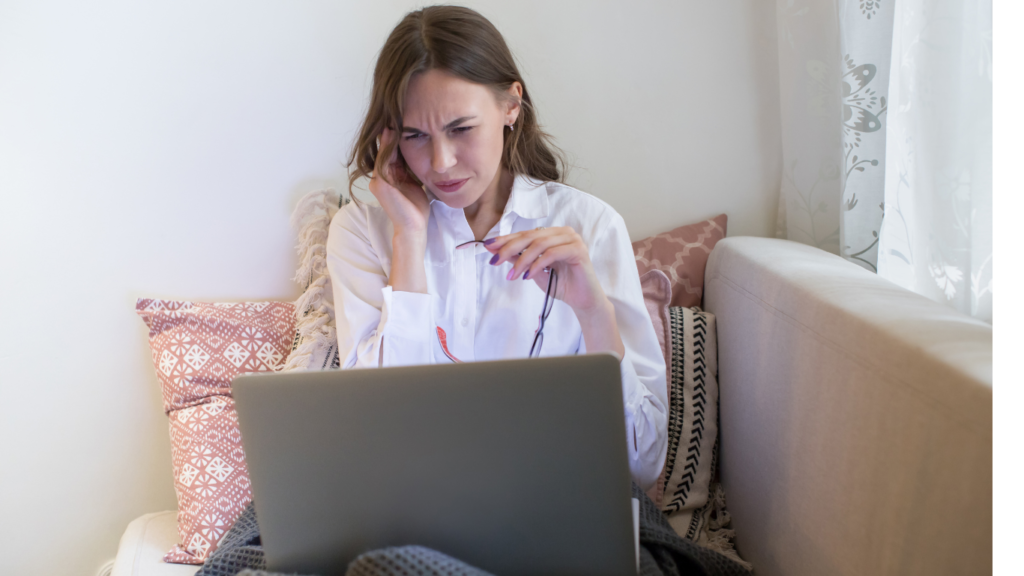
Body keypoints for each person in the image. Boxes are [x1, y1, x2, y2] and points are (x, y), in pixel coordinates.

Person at [325, 5, 667, 490]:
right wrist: (410, 240)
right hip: (414, 509)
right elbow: (383, 431)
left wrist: (593, 312)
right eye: (414, 136)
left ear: (511, 106)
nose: (440, 163)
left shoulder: (590, 227)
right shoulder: (363, 232)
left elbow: (642, 465)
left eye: (461, 129)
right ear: (389, 138)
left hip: (554, 505)